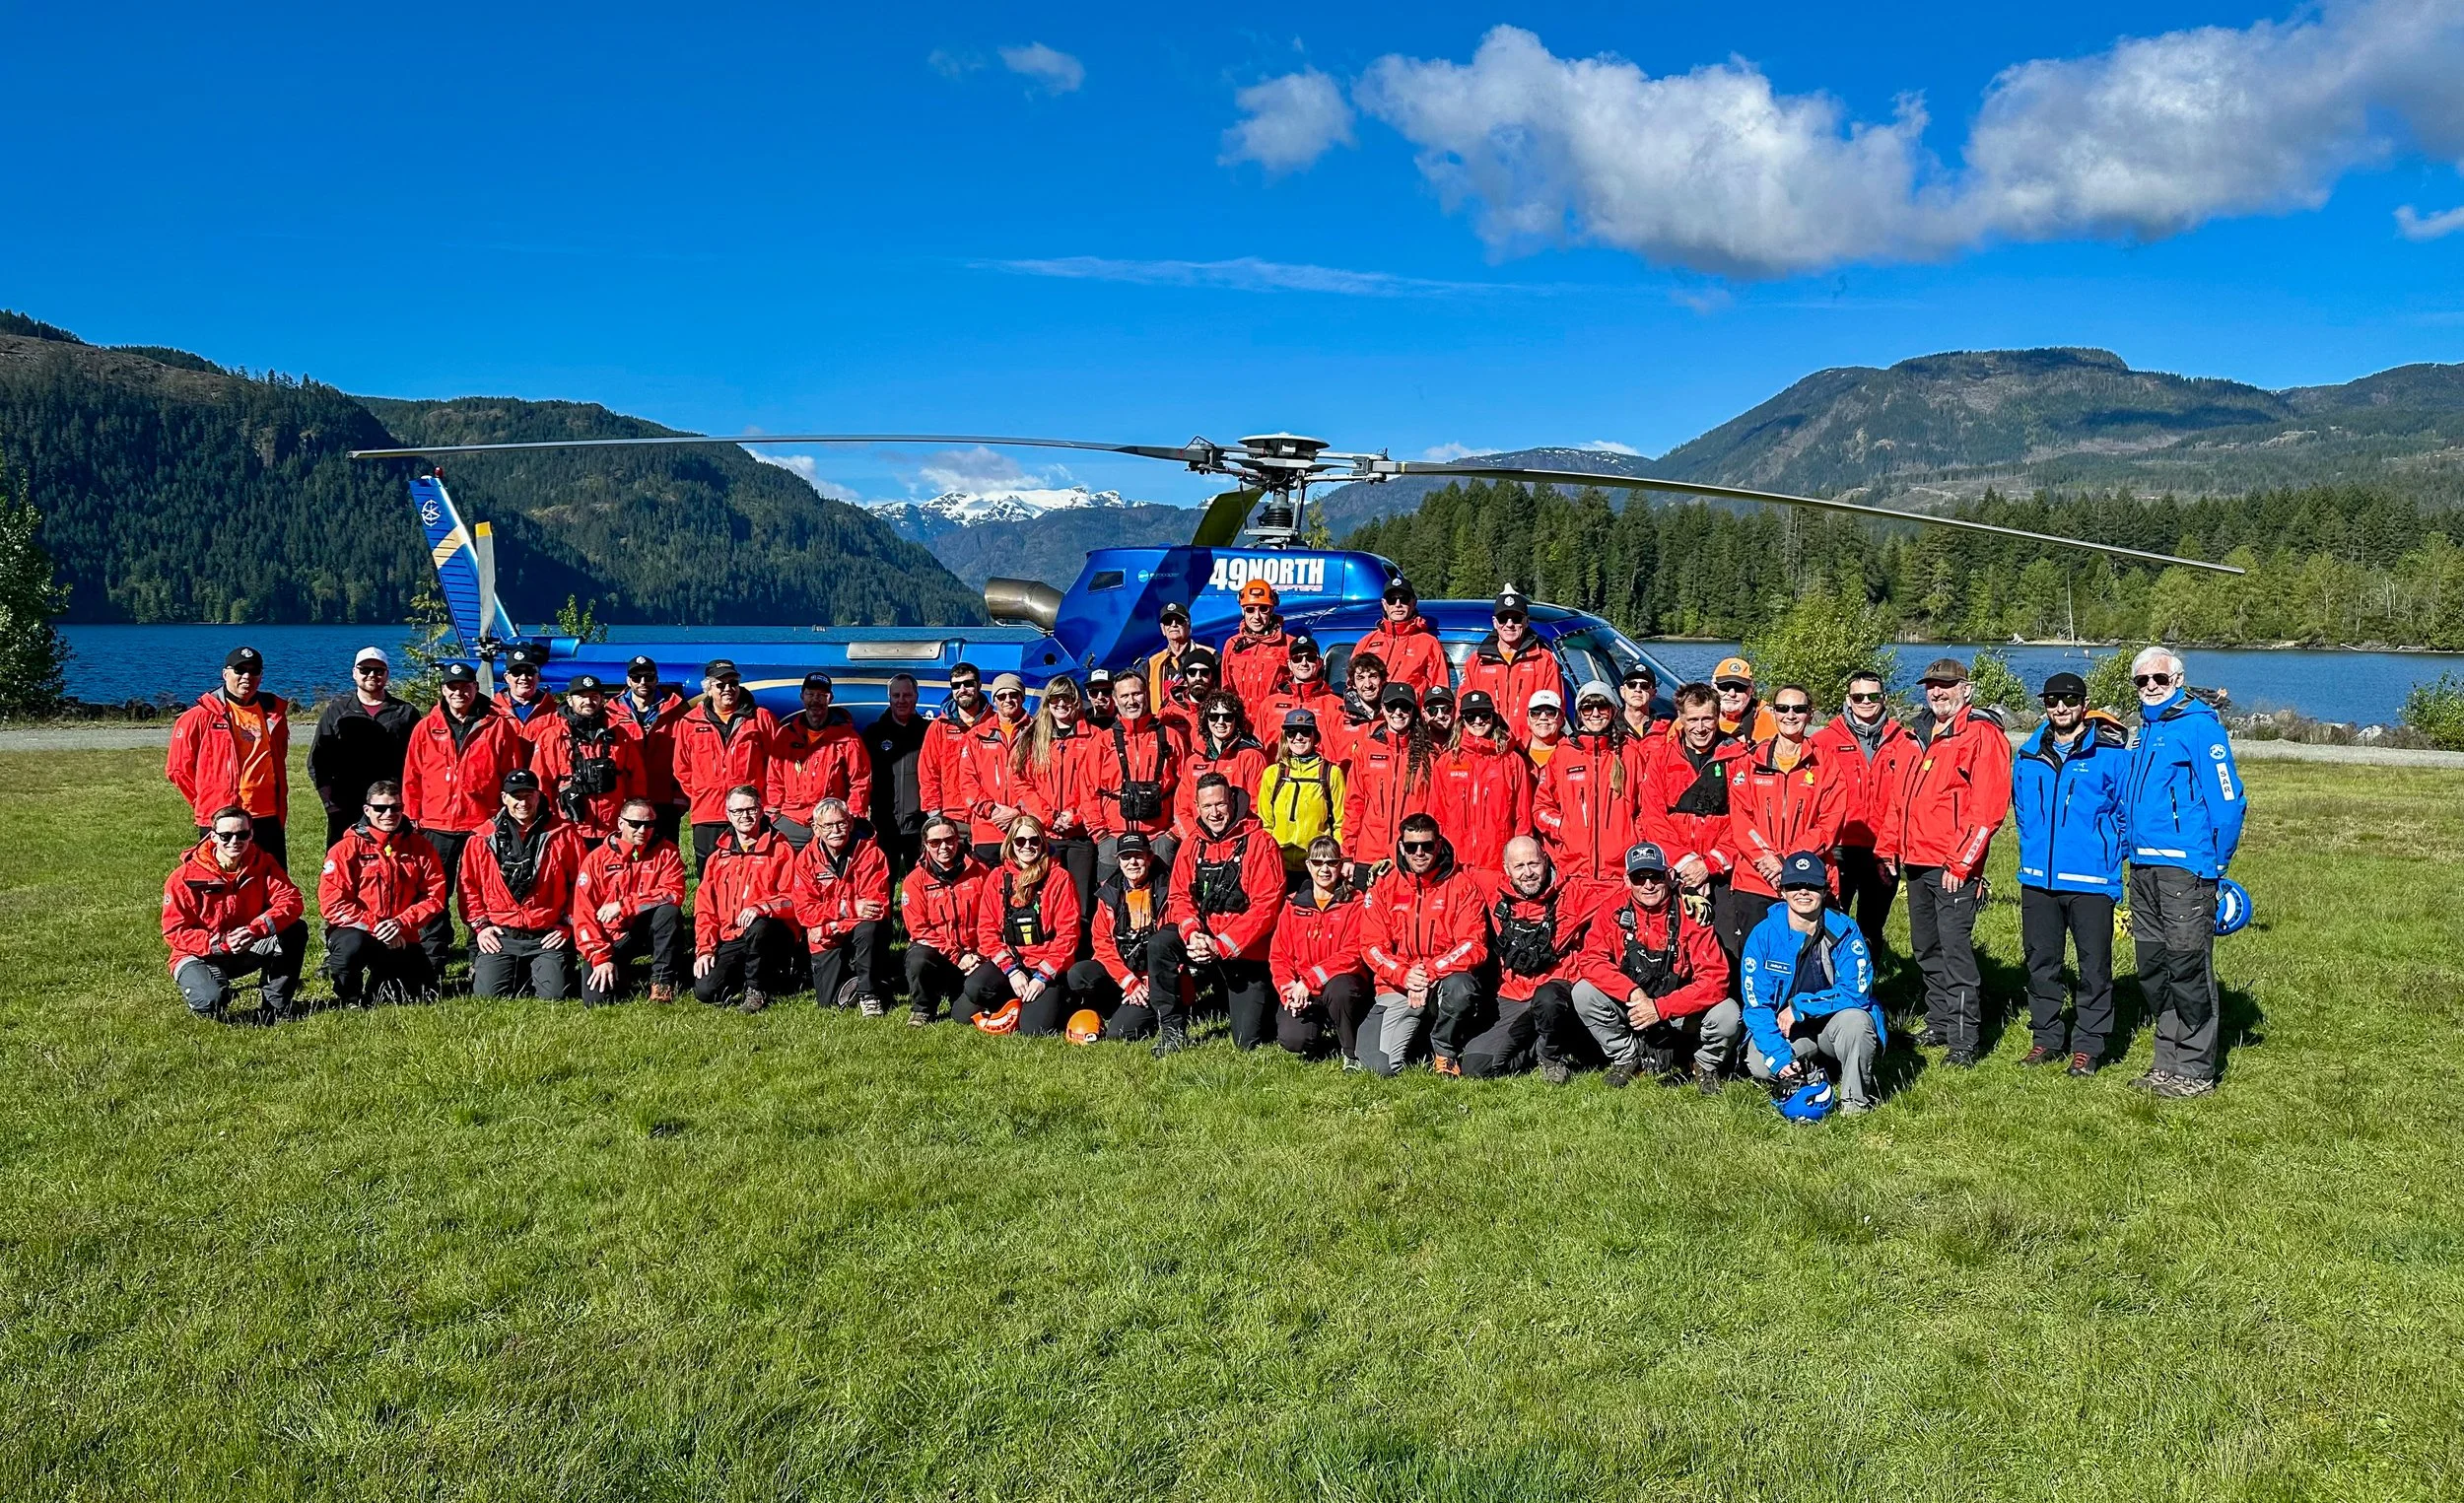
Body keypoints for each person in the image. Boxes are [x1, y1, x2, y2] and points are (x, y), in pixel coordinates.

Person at [2122, 647, 2246, 1098]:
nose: (2151, 686)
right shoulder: (2143, 732)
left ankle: (2194, 1070)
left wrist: (2216, 863)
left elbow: (2229, 801)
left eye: (2159, 678)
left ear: (2177, 679)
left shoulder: (2200, 726)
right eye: (2142, 680)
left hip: (2185, 868)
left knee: (2187, 964)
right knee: (2153, 967)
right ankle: (2166, 1060)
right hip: (2142, 866)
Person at [1880, 657, 2014, 1067]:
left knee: (1955, 952)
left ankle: (1963, 1039)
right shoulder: (1915, 733)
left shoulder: (1981, 735)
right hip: (1916, 861)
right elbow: (1897, 799)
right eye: (1931, 686)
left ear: (1965, 690)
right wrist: (1888, 846)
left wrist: (1962, 864)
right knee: (1926, 948)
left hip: (1953, 866)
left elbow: (1988, 810)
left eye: (1946, 686)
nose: (1937, 692)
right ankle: (1938, 1021)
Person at [2013, 671, 2130, 1075]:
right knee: (2041, 962)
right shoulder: (2028, 755)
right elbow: (2023, 811)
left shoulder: (2111, 755)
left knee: (2094, 965)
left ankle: (2089, 1044)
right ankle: (2045, 1037)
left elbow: (2124, 815)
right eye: (2051, 700)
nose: (2060, 707)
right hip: (2037, 880)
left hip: (2091, 881)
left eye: (2069, 699)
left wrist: (2109, 857)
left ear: (2083, 703)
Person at [1571, 841, 1738, 1090]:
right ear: (1627, 881)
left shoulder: (1692, 912)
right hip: (1634, 1006)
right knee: (1583, 993)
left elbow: (1716, 980)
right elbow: (1590, 960)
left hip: (1679, 1009)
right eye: (1639, 878)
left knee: (1728, 1014)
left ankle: (1703, 1064)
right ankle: (1627, 1057)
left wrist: (1660, 1008)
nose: (1648, 885)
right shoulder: (1612, 909)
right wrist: (1632, 993)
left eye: (1655, 877)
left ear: (1669, 876)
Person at [401, 662, 530, 971]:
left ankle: (481, 955)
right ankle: (433, 956)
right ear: (443, 690)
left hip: (481, 825)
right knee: (433, 893)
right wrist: (413, 815)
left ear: (476, 688)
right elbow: (412, 775)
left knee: (482, 892)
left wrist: (505, 819)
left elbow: (511, 775)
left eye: (465, 686)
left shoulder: (497, 725)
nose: (459, 692)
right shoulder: (426, 727)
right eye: (452, 687)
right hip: (436, 824)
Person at [1148, 774, 1285, 1053]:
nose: (1214, 813)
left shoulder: (1261, 843)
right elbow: (1179, 896)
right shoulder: (1192, 844)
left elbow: (1266, 907)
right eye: (1207, 806)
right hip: (1204, 939)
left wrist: (1221, 945)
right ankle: (1172, 1030)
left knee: (1248, 1041)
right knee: (1160, 943)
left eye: (1220, 804)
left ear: (1233, 802)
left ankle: (1269, 1003)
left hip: (1246, 950)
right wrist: (1192, 932)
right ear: (1197, 808)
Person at [1739, 852, 1883, 1115]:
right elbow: (1756, 1007)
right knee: (1760, 1062)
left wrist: (1800, 1006)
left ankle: (1854, 1105)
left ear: (1825, 890)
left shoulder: (1846, 930)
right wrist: (1780, 1058)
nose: (1803, 892)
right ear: (1782, 891)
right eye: (1794, 885)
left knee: (1858, 1023)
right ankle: (1809, 1074)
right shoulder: (1763, 936)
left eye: (1812, 886)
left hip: (1834, 1025)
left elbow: (1858, 993)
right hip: (1793, 1035)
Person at [1357, 813, 1489, 1077]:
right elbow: (1371, 946)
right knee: (1378, 1068)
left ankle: (1445, 1051)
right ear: (1401, 847)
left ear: (1438, 844)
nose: (1419, 853)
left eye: (1427, 846)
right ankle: (1417, 1041)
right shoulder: (1385, 885)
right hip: (1398, 984)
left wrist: (1428, 972)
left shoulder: (1462, 885)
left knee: (1461, 988)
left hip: (1442, 980)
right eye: (1411, 846)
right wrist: (1405, 975)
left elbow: (1472, 944)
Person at [1471, 836, 1605, 1082]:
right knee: (1477, 1067)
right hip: (1513, 994)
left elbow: (1628, 890)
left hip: (1557, 993)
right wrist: (1396, 867)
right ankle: (1535, 1049)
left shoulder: (1574, 892)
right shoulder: (1491, 887)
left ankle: (1553, 1056)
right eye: (1519, 866)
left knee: (1548, 999)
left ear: (1545, 860)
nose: (1528, 873)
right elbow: (1448, 872)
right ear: (1506, 869)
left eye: (1534, 863)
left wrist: (1680, 886)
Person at [1725, 684, 1845, 953]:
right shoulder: (1751, 761)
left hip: (1807, 879)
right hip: (1756, 878)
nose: (1790, 715)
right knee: (1758, 961)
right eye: (1783, 708)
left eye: (1799, 709)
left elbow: (1828, 825)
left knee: (1810, 962)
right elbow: (1741, 821)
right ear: (1773, 712)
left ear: (1810, 715)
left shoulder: (1825, 764)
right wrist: (1766, 858)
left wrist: (1785, 860)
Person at [163, 804, 308, 1021]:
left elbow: (291, 901)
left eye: (242, 834)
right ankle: (212, 988)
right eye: (226, 835)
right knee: (210, 1003)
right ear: (213, 836)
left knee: (295, 930)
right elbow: (174, 931)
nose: (234, 841)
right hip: (198, 953)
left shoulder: (263, 863)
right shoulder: (184, 877)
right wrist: (221, 942)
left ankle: (275, 1008)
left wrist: (254, 930)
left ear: (251, 835)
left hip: (246, 944)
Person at [1636, 682, 1748, 959]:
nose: (1700, 728)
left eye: (1707, 719)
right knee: (1675, 947)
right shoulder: (1661, 758)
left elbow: (1745, 821)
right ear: (1681, 720)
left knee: (1727, 948)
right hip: (1675, 869)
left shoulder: (1738, 758)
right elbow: (1652, 818)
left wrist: (1709, 864)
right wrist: (1686, 863)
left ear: (1718, 717)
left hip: (1722, 871)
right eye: (1693, 719)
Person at [1807, 669, 1914, 952]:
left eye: (1873, 695)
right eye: (1858, 696)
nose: (1866, 701)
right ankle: (1828, 989)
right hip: (1838, 846)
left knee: (1872, 925)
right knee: (1829, 919)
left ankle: (1864, 988)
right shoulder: (1824, 741)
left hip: (1884, 848)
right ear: (1848, 699)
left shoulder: (1904, 740)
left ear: (1884, 698)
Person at [316, 780, 445, 1008]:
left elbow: (434, 896)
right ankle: (350, 997)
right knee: (350, 948)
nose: (389, 814)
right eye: (380, 808)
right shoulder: (346, 849)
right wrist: (378, 926)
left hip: (401, 934)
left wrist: (401, 923)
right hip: (358, 931)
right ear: (367, 810)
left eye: (395, 808)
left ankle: (382, 980)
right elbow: (333, 904)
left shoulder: (420, 847)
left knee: (422, 994)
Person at [459, 769, 582, 1001]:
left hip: (546, 933)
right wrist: (481, 927)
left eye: (528, 795)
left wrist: (566, 926)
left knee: (554, 996)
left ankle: (540, 967)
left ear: (539, 796)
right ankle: (514, 968)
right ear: (504, 798)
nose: (522, 802)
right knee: (488, 996)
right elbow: (468, 887)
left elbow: (580, 886)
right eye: (516, 796)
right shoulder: (482, 838)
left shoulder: (564, 834)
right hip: (501, 932)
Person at [168, 646, 294, 868]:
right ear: (225, 673)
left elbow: (279, 756)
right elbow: (178, 769)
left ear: (261, 676)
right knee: (220, 882)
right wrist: (204, 801)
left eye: (254, 671)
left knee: (273, 882)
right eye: (240, 670)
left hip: (267, 815)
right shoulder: (199, 716)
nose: (247, 676)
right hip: (222, 818)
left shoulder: (275, 714)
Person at [958, 815, 1083, 1034]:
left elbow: (1068, 934)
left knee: (1034, 1029)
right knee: (967, 1003)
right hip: (1013, 963)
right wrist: (1011, 970)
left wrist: (1043, 976)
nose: (1027, 846)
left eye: (1034, 840)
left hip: (1047, 965)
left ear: (1043, 843)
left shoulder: (1060, 878)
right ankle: (1016, 996)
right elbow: (986, 932)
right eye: (1020, 841)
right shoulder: (997, 877)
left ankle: (1057, 999)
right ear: (1011, 845)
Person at [691, 783, 802, 1012]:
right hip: (732, 935)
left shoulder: (781, 849)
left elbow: (795, 899)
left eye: (750, 809)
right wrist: (705, 948)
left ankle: (756, 988)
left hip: (771, 931)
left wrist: (763, 907)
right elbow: (705, 908)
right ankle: (759, 975)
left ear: (761, 810)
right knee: (706, 991)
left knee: (758, 925)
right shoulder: (718, 856)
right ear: (728, 814)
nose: (745, 816)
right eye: (738, 811)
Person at [572, 795, 688, 1006]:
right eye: (635, 824)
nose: (642, 831)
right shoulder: (597, 859)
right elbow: (583, 913)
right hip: (609, 937)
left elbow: (674, 893)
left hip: (645, 928)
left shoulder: (667, 852)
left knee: (668, 912)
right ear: (620, 823)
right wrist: (600, 957)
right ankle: (621, 972)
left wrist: (624, 905)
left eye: (649, 824)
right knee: (597, 1001)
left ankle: (662, 983)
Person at [1010, 676, 1100, 943]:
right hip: (1045, 835)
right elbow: (1020, 780)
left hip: (1080, 834)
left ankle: (1080, 963)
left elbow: (1098, 785)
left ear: (1076, 702)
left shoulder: (1095, 737)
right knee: (1046, 900)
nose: (1061, 704)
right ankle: (1045, 954)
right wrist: (1046, 816)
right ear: (1047, 703)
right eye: (1055, 699)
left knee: (1081, 903)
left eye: (1067, 698)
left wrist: (1075, 816)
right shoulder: (1031, 736)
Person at [1267, 835, 1372, 1061]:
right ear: (1308, 865)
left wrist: (1310, 980)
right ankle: (1314, 1039)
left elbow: (1354, 952)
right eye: (1317, 862)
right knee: (1292, 1039)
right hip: (1304, 990)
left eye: (1331, 862)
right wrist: (1289, 990)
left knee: (1340, 989)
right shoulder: (1292, 904)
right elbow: (1279, 956)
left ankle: (1350, 1052)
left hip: (1342, 985)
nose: (1324, 869)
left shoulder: (1355, 902)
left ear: (1340, 864)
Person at [308, 647, 418, 850]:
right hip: (346, 804)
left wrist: (410, 803)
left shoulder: (406, 713)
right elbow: (317, 761)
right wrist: (329, 803)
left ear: (387, 674)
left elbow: (420, 763)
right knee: (345, 860)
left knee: (396, 858)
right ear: (354, 673)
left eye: (378, 670)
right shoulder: (337, 711)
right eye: (365, 669)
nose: (372, 675)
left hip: (390, 804)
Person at [673, 660, 780, 871]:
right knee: (710, 873)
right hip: (708, 813)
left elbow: (776, 764)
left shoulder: (761, 718)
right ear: (709, 689)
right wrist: (701, 793)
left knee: (752, 871)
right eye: (720, 685)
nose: (728, 689)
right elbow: (682, 766)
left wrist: (766, 802)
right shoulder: (690, 722)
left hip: (749, 813)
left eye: (733, 683)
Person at [1532, 681, 1641, 881]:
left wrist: (1633, 836)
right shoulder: (1564, 753)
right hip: (1573, 873)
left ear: (1614, 710)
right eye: (1588, 707)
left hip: (1621, 873)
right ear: (1580, 713)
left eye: (1602, 707)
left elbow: (1647, 809)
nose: (1596, 713)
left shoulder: (1630, 753)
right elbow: (1541, 808)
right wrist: (1564, 827)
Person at [795, 797, 893, 1014]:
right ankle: (871, 981)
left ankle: (869, 994)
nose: (836, 830)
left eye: (841, 823)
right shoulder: (806, 860)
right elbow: (804, 912)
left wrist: (832, 926)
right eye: (828, 826)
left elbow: (875, 908)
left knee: (868, 927)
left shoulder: (871, 854)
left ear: (850, 823)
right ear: (816, 829)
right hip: (828, 938)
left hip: (855, 930)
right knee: (828, 1002)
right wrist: (847, 909)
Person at [1076, 832, 1173, 1040]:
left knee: (1119, 1034)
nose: (1132, 862)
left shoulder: (1170, 890)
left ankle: (1151, 1011)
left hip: (1156, 978)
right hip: (1124, 975)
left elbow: (1176, 945)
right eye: (1126, 857)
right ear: (1118, 861)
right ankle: (1120, 1004)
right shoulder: (1109, 892)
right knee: (1079, 974)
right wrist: (1128, 981)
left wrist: (1148, 982)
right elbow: (1102, 944)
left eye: (1138, 855)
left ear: (1150, 857)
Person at [1339, 684, 1435, 886]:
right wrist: (1348, 854)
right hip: (1368, 853)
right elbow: (1354, 804)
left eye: (1404, 707)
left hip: (1410, 853)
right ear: (1382, 709)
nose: (1398, 713)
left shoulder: (1429, 755)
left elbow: (1435, 809)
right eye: (1392, 707)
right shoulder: (1367, 750)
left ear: (1413, 711)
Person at [1090, 671, 1180, 883]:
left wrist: (1174, 834)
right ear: (1115, 699)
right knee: (1110, 904)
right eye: (1124, 696)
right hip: (1114, 836)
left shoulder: (1169, 737)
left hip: (1158, 837)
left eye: (1137, 694)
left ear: (1146, 695)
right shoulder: (1102, 742)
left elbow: (1185, 787)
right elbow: (1087, 790)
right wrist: (1100, 834)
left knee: (1164, 901)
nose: (1131, 701)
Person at [530, 673, 644, 841]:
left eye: (594, 696)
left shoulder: (619, 735)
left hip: (613, 826)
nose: (588, 701)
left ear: (602, 699)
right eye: (581, 697)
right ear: (569, 700)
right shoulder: (552, 737)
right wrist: (548, 821)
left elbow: (637, 778)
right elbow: (541, 781)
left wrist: (634, 818)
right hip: (568, 827)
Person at [900, 815, 990, 1027]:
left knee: (966, 1017)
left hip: (975, 955)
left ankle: (962, 993)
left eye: (949, 840)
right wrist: (957, 955)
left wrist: (980, 954)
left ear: (958, 839)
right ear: (925, 845)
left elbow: (992, 920)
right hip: (939, 955)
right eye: (935, 842)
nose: (944, 847)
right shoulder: (914, 880)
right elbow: (919, 930)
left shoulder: (981, 873)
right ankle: (923, 1008)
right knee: (918, 958)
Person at [1431, 688, 1531, 875]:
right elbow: (1437, 814)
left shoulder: (1511, 761)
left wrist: (1519, 861)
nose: (1478, 721)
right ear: (1462, 719)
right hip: (1456, 865)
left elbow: (1522, 817)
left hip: (1498, 864)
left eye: (1484, 715)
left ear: (1493, 717)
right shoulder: (1447, 762)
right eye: (1471, 716)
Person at [771, 670, 871, 851]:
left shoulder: (848, 738)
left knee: (828, 874)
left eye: (821, 695)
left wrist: (850, 816)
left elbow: (860, 781)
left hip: (830, 822)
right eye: (810, 694)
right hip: (791, 819)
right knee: (782, 872)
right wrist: (775, 815)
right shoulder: (785, 735)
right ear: (802, 697)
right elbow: (774, 779)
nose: (815, 700)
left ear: (830, 698)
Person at [1460, 585, 1564, 740]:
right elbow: (1462, 710)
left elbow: (1555, 710)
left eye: (1516, 619)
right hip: (1488, 746)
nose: (1509, 624)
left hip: (1529, 748)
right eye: (1503, 619)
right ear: (1495, 622)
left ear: (1527, 621)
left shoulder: (1544, 660)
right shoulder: (1476, 661)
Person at [1257, 708, 1346, 878]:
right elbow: (1265, 824)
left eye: (1305, 731)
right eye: (1291, 732)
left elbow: (1340, 822)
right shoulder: (1272, 774)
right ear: (1285, 736)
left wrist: (1336, 859)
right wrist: (1266, 859)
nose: (1298, 737)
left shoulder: (1331, 773)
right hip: (1279, 864)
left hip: (1318, 866)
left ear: (1314, 736)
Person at [615, 655, 690, 848]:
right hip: (627, 798)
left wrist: (681, 798)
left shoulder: (677, 711)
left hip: (665, 798)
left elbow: (687, 758)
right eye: (636, 677)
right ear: (627, 680)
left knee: (665, 851)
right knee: (629, 852)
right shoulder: (612, 712)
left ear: (656, 679)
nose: (642, 682)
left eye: (648, 677)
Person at [863, 672, 931, 882]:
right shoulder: (873, 733)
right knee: (882, 885)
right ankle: (886, 917)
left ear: (916, 696)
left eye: (907, 695)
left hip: (919, 826)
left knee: (921, 883)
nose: (901, 700)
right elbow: (862, 777)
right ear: (889, 698)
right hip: (884, 824)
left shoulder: (928, 732)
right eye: (896, 695)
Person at [958, 672, 1032, 862]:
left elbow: (1045, 781)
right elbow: (967, 782)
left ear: (1022, 698)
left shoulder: (1037, 732)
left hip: (1026, 830)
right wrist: (992, 811)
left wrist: (1018, 812)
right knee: (989, 889)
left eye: (1014, 694)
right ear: (994, 700)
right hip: (988, 829)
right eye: (1001, 696)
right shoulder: (977, 735)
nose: (1008, 700)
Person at [1174, 690, 1268, 837]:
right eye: (1214, 717)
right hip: (1199, 839)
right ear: (1206, 720)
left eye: (1227, 717)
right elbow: (1182, 808)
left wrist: (1238, 837)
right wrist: (1195, 837)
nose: (1220, 722)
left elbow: (1257, 806)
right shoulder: (1193, 761)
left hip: (1239, 838)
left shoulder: (1251, 757)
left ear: (1236, 720)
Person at [918, 661, 992, 828]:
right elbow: (928, 773)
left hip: (988, 816)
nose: (962, 689)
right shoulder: (939, 727)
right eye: (956, 685)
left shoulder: (994, 724)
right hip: (952, 816)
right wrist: (934, 814)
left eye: (968, 684)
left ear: (979, 685)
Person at [1351, 578, 1448, 698]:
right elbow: (1352, 685)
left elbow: (1440, 691)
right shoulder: (1366, 642)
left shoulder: (1429, 644)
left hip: (1410, 714)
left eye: (1404, 599)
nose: (1398, 604)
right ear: (1384, 604)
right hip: (1372, 715)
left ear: (1413, 603)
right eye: (1392, 600)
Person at [1220, 578, 1290, 727]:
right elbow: (1226, 689)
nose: (1256, 616)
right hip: (1240, 727)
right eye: (1250, 609)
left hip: (1274, 727)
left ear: (1271, 610)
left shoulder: (1288, 645)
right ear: (1242, 610)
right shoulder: (1232, 645)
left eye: (1263, 609)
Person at [1253, 633, 1342, 747]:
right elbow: (1258, 748)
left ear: (1319, 663)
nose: (1304, 663)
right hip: (1278, 765)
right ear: (1290, 664)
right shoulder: (1269, 704)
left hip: (1319, 765)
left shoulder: (1336, 705)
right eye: (1297, 658)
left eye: (1310, 658)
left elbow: (1343, 752)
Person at [1332, 649, 1389, 769]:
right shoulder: (1339, 717)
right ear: (1353, 683)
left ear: (1382, 680)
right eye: (1360, 678)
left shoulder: (1393, 716)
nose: (1367, 684)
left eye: (1373, 676)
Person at [1158, 645, 1221, 748]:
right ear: (1185, 676)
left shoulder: (1223, 711)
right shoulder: (1168, 712)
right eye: (1192, 672)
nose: (1198, 677)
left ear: (1212, 676)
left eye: (1204, 672)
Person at [1143, 600, 1200, 710]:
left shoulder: (1208, 655)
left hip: (1196, 721)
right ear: (1163, 629)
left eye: (1179, 621)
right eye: (1168, 622)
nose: (1173, 624)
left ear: (1189, 626)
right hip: (1162, 723)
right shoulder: (1152, 663)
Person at [1711, 656, 1780, 743]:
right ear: (1713, 687)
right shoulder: (1698, 717)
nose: (1732, 693)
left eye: (1740, 687)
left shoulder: (1773, 718)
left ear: (1752, 690)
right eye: (1725, 686)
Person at [496, 645, 556, 729]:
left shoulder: (555, 711)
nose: (523, 677)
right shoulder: (492, 710)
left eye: (529, 672)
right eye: (516, 672)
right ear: (506, 677)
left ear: (538, 677)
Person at [1617, 663, 1668, 748]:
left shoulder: (1668, 727)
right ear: (1622, 691)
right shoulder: (1610, 728)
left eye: (1645, 686)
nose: (1638, 689)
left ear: (1654, 694)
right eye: (1631, 684)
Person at [1522, 690, 1568, 771]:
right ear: (1528, 719)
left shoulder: (1573, 753)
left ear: (1561, 719)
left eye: (1550, 712)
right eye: (1535, 713)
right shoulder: (1515, 752)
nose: (1543, 718)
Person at [1084, 666, 1119, 730]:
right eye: (1094, 692)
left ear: (1115, 693)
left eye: (1106, 691)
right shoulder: (1080, 721)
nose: (1100, 697)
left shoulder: (1125, 719)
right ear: (1088, 694)